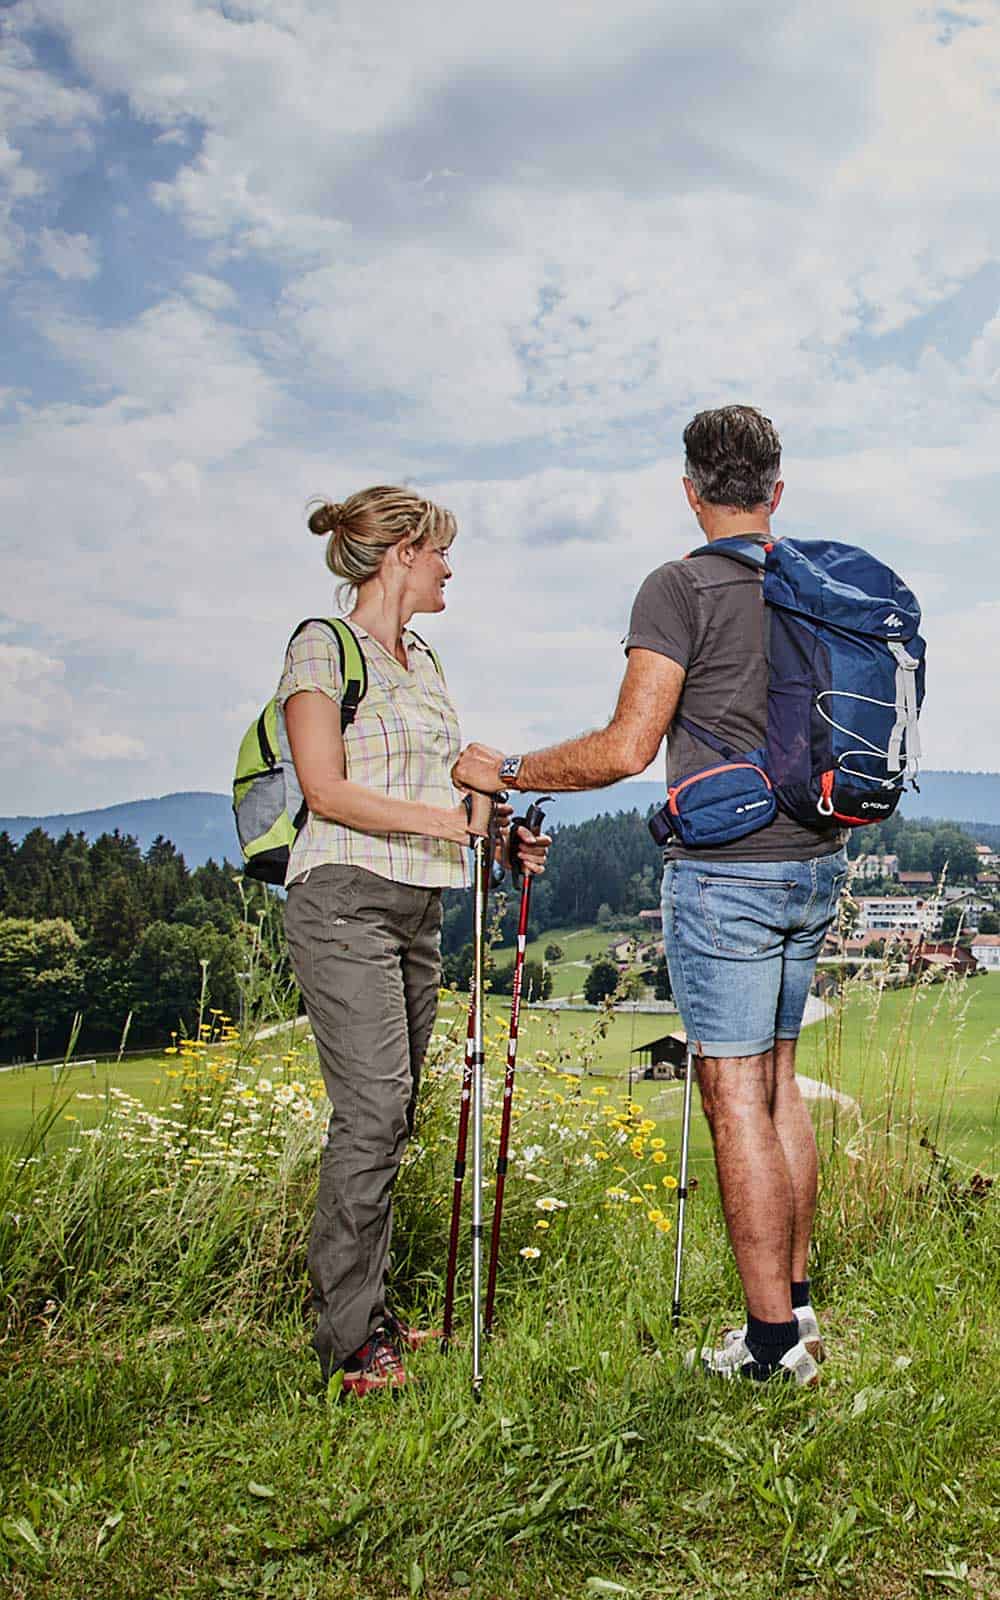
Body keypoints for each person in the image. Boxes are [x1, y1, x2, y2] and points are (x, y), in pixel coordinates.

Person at [453, 407, 848, 1386]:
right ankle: (797, 1309)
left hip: (728, 875)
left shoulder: (678, 586)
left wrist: (508, 768)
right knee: (779, 1079)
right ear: (776, 491)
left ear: (689, 491)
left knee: (733, 1093)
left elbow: (627, 747)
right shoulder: (814, 590)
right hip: (813, 862)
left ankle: (771, 1349)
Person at [280, 485, 550, 1397]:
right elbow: (325, 789)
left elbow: (448, 796)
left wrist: (500, 837)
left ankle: (369, 1311)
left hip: (418, 908)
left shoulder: (425, 661)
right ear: (400, 551)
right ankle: (350, 1342)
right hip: (343, 899)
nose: (448, 568)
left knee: (393, 1114)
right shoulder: (323, 646)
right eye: (439, 551)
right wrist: (450, 824)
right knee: (372, 1110)